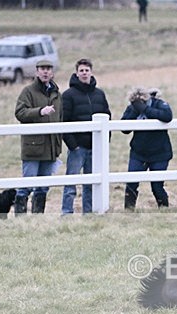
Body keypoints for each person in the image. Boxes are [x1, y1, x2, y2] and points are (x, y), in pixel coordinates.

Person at [61, 58, 111, 215]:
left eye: (86, 70)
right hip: (77, 147)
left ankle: (88, 213)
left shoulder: (99, 94)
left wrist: (104, 141)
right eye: (81, 70)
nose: (84, 73)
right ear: (76, 73)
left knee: (91, 183)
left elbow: (107, 116)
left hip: (95, 147)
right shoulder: (68, 95)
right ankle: (66, 212)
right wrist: (72, 145)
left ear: (91, 72)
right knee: (71, 181)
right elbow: (63, 121)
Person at [14, 59, 63, 215]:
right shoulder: (28, 91)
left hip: (51, 147)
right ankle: (20, 216)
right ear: (37, 72)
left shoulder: (56, 94)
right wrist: (40, 111)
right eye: (42, 69)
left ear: (52, 72)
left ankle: (37, 217)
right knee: (27, 184)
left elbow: (60, 118)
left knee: (43, 186)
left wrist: (58, 144)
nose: (45, 71)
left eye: (48, 69)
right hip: (33, 147)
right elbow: (20, 113)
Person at [121, 86, 173, 210]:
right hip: (138, 153)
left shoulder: (159, 104)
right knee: (131, 183)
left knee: (157, 186)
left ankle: (164, 209)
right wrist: (135, 111)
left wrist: (145, 109)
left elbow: (167, 116)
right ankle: (129, 210)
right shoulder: (132, 108)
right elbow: (124, 128)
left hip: (160, 153)